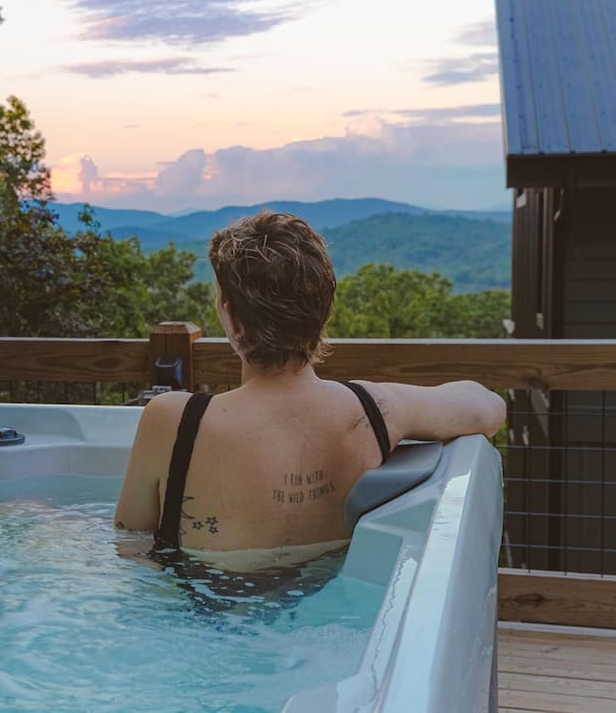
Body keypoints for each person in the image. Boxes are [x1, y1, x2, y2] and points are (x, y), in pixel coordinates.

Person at [113, 210, 506, 571]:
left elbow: (129, 545)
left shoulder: (174, 420)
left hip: (207, 618)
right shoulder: (372, 410)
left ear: (232, 318)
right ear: (324, 310)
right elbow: (486, 407)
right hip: (323, 604)